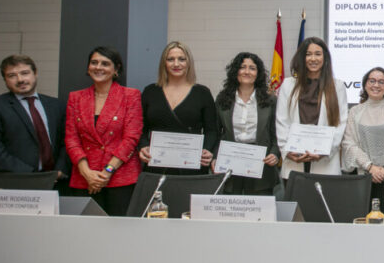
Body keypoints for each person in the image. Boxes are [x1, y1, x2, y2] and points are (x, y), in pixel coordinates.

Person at [63, 47, 143, 216]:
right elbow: (71, 139)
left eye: (105, 63)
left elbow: (131, 138)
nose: (98, 67)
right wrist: (86, 172)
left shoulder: (130, 96)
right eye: (94, 63)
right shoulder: (75, 98)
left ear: (116, 70)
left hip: (120, 177)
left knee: (120, 233)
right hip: (84, 178)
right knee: (86, 233)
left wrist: (107, 172)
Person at [0, 55, 71, 187]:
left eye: (25, 73)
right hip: (14, 184)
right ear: (5, 80)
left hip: (55, 183)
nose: (20, 80)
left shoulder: (57, 106)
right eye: (12, 75)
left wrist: (59, 171)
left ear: (35, 73)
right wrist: (31, 175)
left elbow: (67, 141)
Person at [341, 67, 384, 223]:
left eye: (381, 82)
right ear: (365, 85)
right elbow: (349, 143)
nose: (376, 85)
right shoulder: (355, 112)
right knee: (360, 226)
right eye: (372, 81)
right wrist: (370, 167)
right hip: (362, 177)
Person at [138, 41, 217, 174]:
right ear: (164, 63)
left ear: (189, 63)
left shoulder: (202, 93)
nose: (176, 64)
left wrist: (207, 149)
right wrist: (143, 146)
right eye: (170, 59)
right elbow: (140, 128)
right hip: (156, 165)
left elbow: (211, 130)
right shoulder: (150, 91)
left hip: (192, 167)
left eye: (181, 59)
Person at [275, 36, 348, 180]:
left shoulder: (337, 86)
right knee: (295, 202)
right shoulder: (288, 84)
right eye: (308, 54)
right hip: (294, 160)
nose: (313, 58)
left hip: (325, 164)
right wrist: (286, 150)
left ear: (325, 57)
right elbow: (282, 121)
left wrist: (325, 151)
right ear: (302, 58)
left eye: (317, 54)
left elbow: (340, 123)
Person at [213, 52, 280, 195]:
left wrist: (275, 153)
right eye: (242, 67)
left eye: (252, 68)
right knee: (231, 211)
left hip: (261, 164)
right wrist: (214, 156)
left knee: (259, 213)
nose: (247, 72)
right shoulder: (223, 99)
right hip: (230, 163)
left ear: (258, 73)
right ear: (235, 71)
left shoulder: (270, 100)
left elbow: (276, 133)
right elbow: (216, 132)